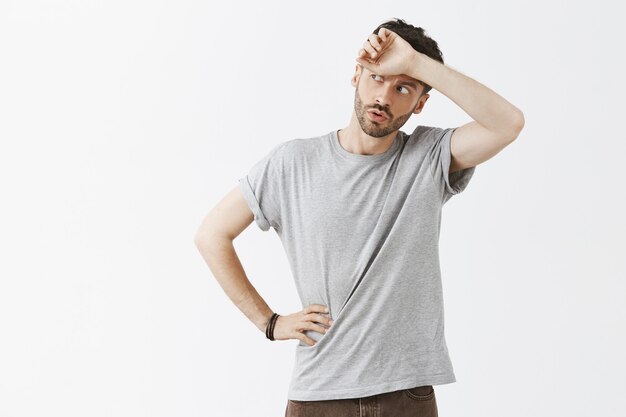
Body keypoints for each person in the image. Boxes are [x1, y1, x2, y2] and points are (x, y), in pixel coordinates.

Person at [194, 18, 524, 416]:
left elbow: (508, 123)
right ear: (356, 75)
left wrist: (417, 63)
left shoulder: (430, 155)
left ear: (421, 103)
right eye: (376, 78)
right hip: (319, 393)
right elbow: (212, 235)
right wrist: (269, 322)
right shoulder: (292, 163)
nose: (383, 97)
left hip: (407, 394)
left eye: (403, 87)